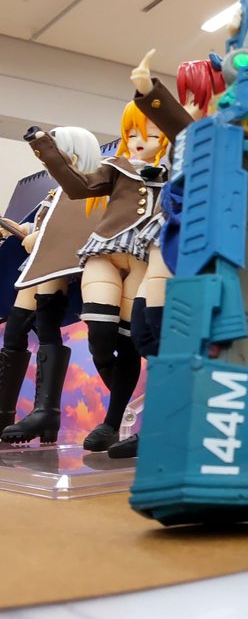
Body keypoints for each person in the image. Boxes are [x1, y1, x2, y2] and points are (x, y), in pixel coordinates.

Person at [24, 105, 169, 451]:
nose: (139, 141)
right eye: (132, 134)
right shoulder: (115, 168)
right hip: (104, 251)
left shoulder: (173, 174)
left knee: (131, 342)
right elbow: (78, 186)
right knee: (100, 339)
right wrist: (45, 147)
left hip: (144, 259)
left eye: (150, 135)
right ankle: (127, 409)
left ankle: (112, 422)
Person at [0, 126, 101, 443]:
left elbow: (76, 231)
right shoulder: (56, 192)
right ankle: (5, 412)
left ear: (75, 155)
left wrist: (39, 238)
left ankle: (47, 412)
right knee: (15, 331)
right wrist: (23, 230)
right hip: (36, 265)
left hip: (57, 266)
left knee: (46, 327)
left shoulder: (88, 190)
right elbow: (44, 225)